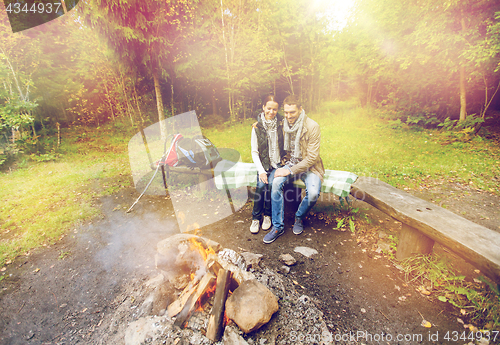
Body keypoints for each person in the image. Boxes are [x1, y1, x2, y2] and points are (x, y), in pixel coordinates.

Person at [263, 95, 325, 244]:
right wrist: (257, 124)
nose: (288, 116)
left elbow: (312, 158)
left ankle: (299, 217)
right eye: (286, 112)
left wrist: (289, 171)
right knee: (276, 183)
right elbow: (267, 122)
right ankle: (278, 227)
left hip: (310, 167)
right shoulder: (283, 123)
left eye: (292, 112)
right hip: (289, 162)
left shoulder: (312, 126)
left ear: (300, 109)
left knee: (313, 193)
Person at [250, 95, 286, 234]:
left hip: (277, 165)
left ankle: (267, 215)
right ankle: (255, 217)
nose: (271, 112)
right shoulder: (257, 127)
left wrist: (283, 164)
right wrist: (261, 171)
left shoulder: (282, 124)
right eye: (269, 108)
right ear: (263, 107)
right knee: (260, 186)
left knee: (271, 185)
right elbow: (254, 152)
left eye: (275, 109)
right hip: (263, 166)